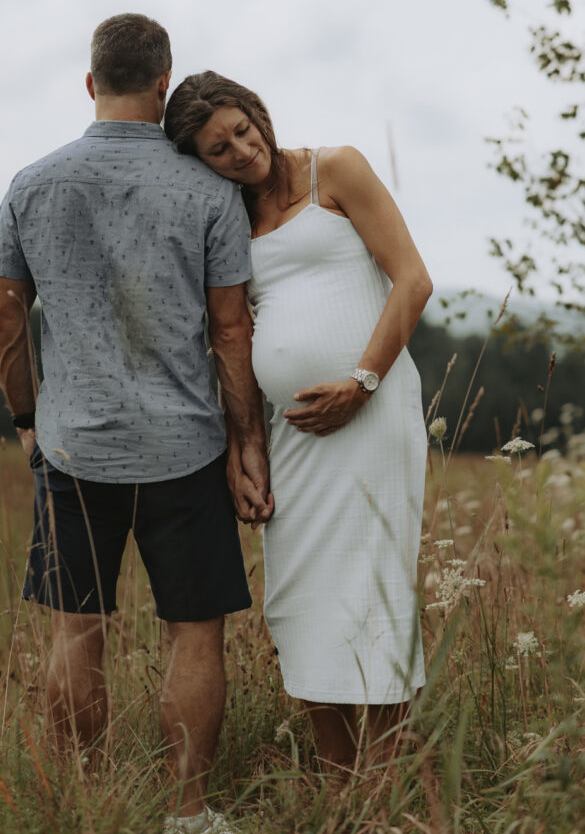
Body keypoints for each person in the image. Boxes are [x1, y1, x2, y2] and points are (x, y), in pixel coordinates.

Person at [0, 18, 272, 834]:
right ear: (162, 84)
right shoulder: (210, 193)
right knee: (195, 634)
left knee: (78, 630)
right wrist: (246, 442)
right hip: (186, 450)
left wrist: (26, 419)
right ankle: (187, 811)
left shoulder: (31, 183)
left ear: (88, 84)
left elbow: (5, 319)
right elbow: (230, 331)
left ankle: (83, 800)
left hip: (73, 449)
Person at [164, 71, 432, 783]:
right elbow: (227, 332)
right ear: (200, 160)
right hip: (290, 438)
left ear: (258, 114)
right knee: (299, 596)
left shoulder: (335, 169)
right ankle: (337, 780)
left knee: (371, 588)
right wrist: (239, 447)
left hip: (372, 418)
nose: (240, 151)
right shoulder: (226, 217)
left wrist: (361, 382)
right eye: (217, 149)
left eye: (242, 130)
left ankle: (387, 780)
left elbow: (412, 280)